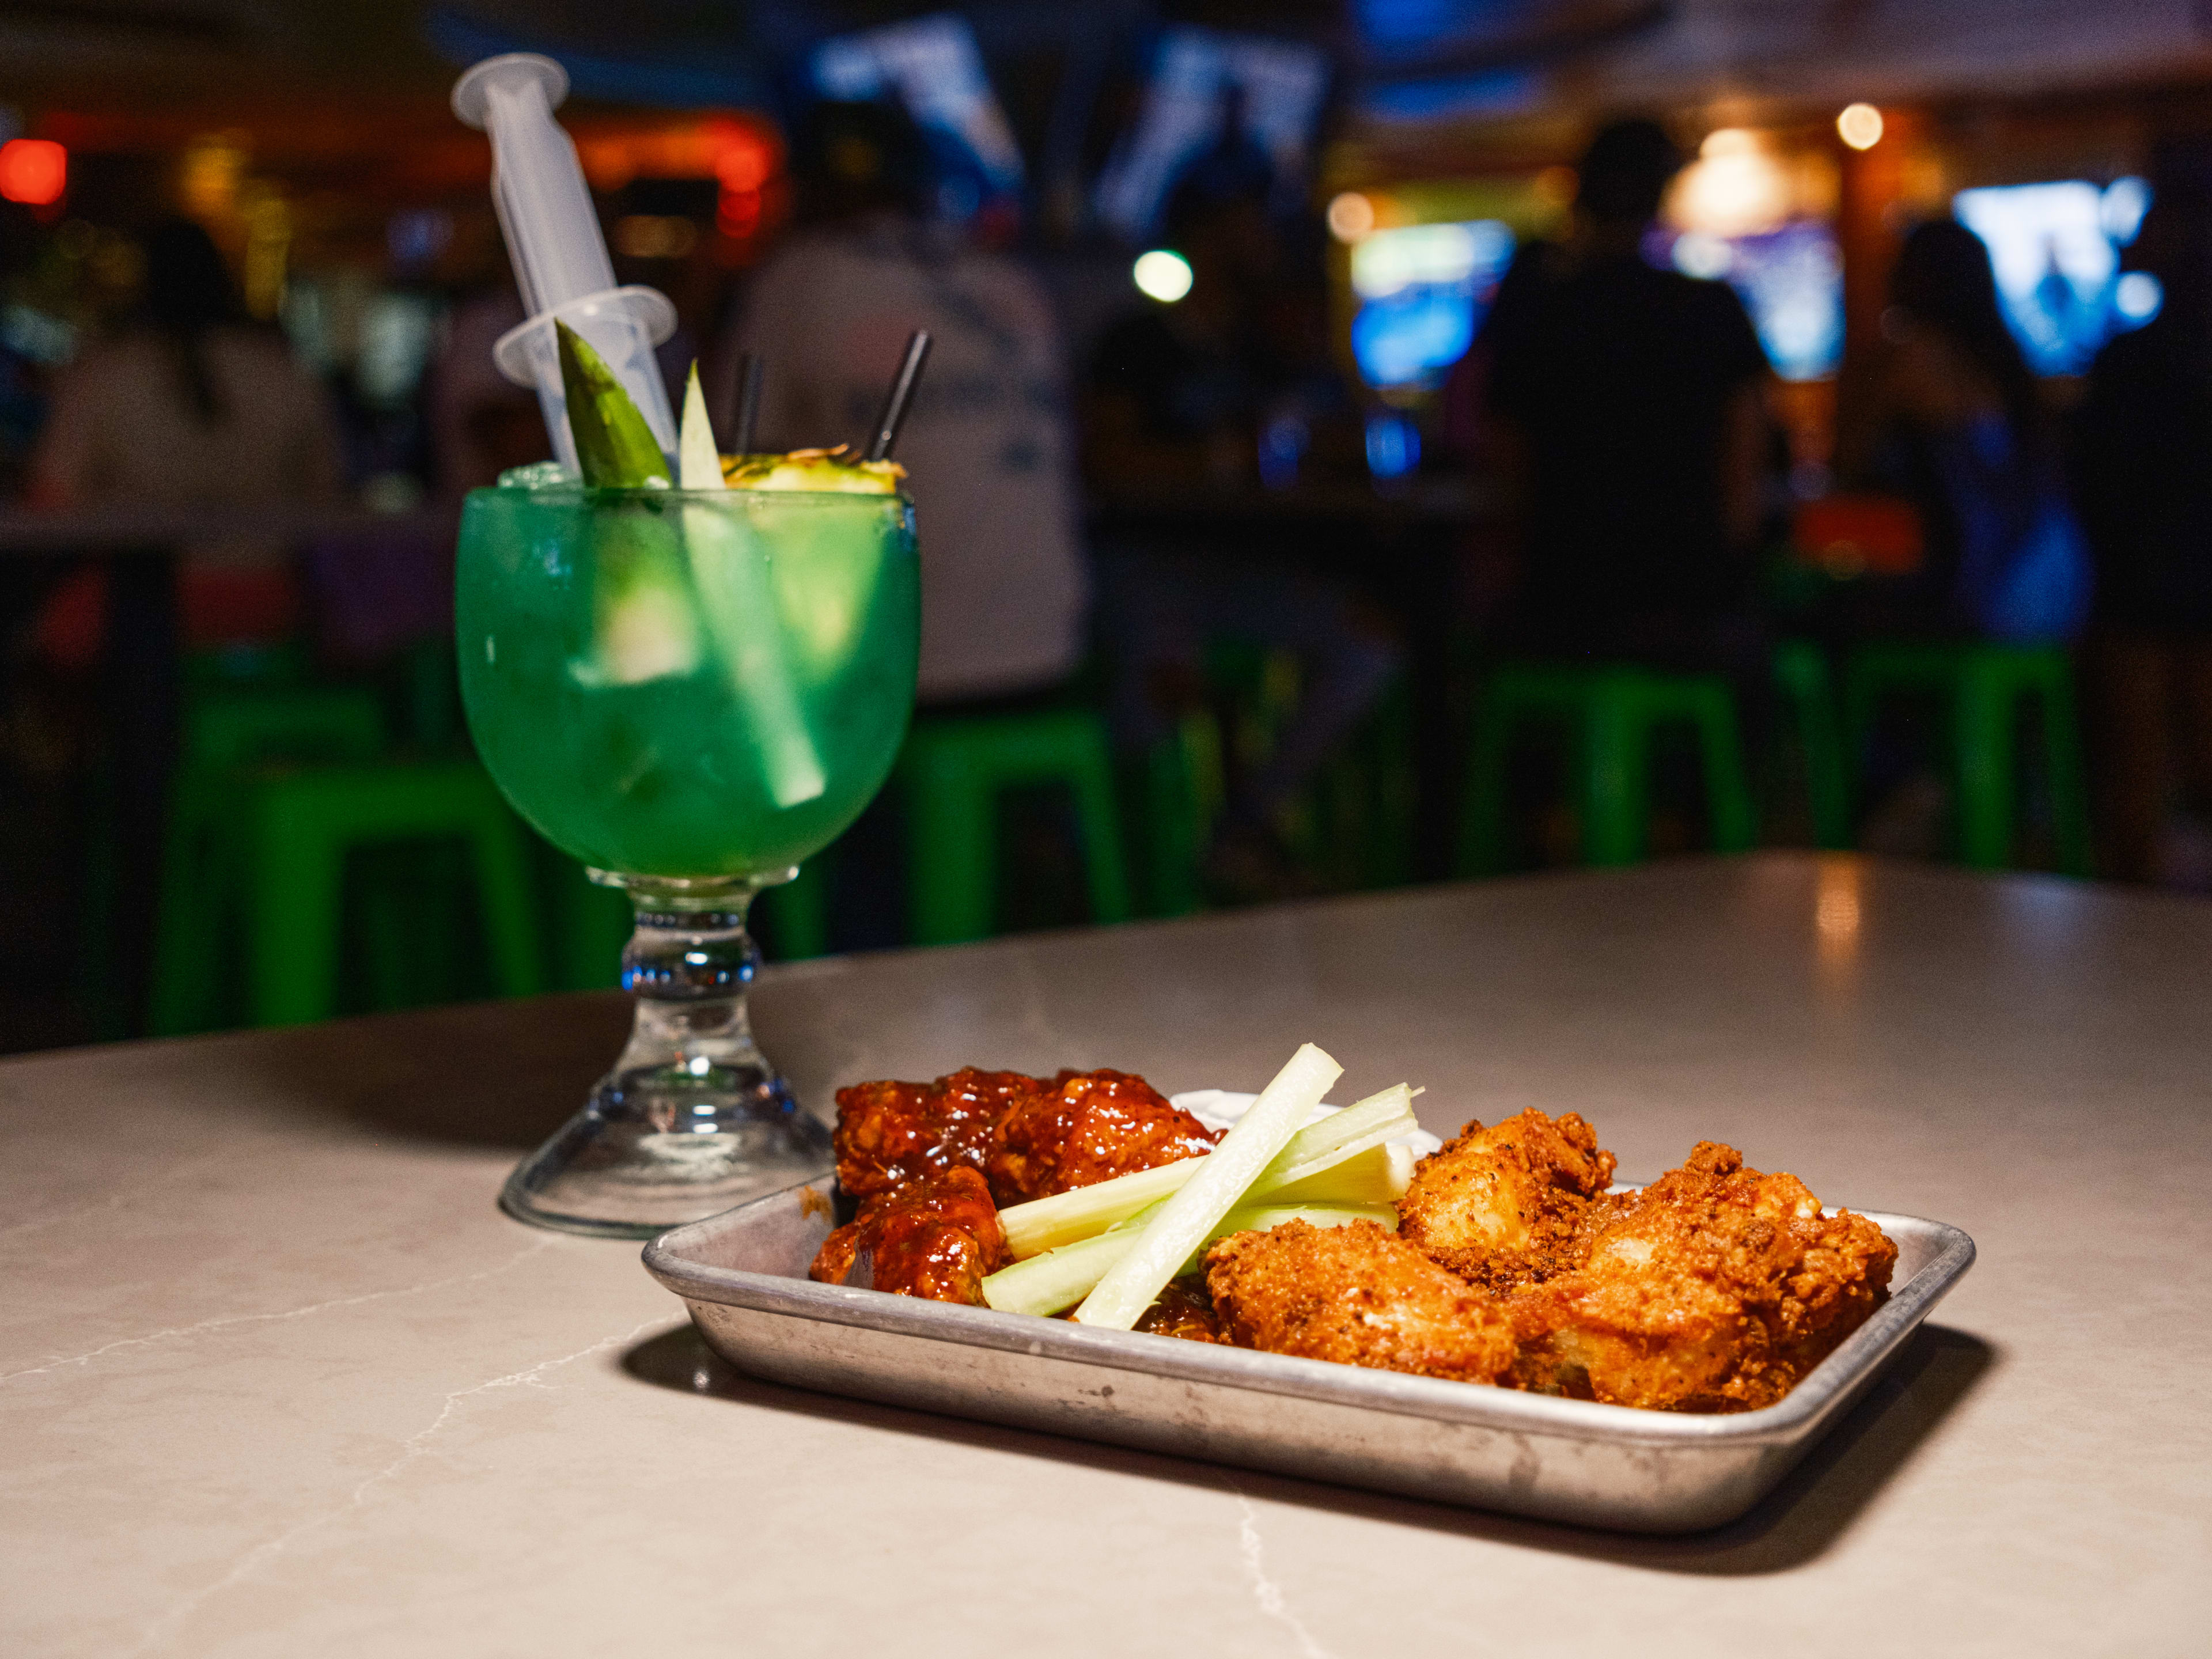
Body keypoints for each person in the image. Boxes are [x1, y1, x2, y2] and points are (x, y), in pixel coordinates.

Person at [1084, 175, 1400, 902]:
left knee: (1370, 641)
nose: (1263, 239)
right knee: (1160, 677)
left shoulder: (1270, 345)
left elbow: (1344, 436)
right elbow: (1106, 465)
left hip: (1247, 566)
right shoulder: (1135, 340)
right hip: (1144, 560)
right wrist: (1224, 457)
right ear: (1206, 232)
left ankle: (1241, 829)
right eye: (1249, 220)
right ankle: (1137, 872)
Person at [716, 100, 1088, 706]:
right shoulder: (1006, 280)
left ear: (808, 187)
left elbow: (730, 465)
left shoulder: (800, 278)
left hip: (905, 668)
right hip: (1052, 645)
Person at [1480, 119, 1774, 687]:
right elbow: (1743, 476)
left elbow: (1508, 473)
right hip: (1689, 601)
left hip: (1561, 600)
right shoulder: (1711, 309)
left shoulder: (1540, 315)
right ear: (1662, 198)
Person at [29, 219, 343, 667]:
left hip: (130, 612)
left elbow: (53, 501)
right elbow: (325, 494)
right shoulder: (283, 371)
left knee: (49, 643)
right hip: (268, 602)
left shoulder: (106, 373)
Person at [2072, 152, 2212, 885]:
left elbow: (2091, 479)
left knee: (2136, 783)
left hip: (2138, 586)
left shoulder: (2132, 359)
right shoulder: (2135, 354)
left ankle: (2136, 953)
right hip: (2154, 581)